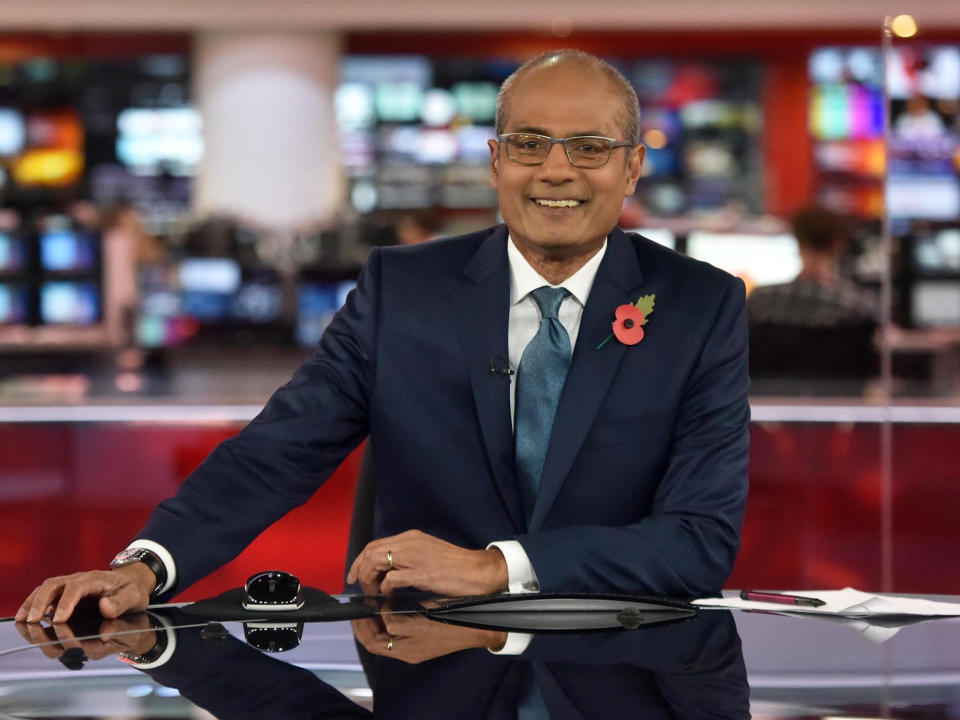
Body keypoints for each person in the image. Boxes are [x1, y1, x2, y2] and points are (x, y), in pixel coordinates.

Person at [17, 49, 750, 625]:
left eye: (589, 148)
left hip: (628, 668)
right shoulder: (404, 290)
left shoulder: (698, 306)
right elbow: (280, 449)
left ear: (632, 167)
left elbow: (698, 541)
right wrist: (147, 565)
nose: (556, 170)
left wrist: (496, 567)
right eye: (530, 143)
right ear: (496, 163)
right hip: (425, 658)